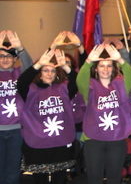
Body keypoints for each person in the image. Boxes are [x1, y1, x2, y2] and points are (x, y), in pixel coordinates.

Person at [76, 43, 131, 184]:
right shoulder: (89, 86)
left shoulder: (120, 85)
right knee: (93, 177)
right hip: (94, 139)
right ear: (96, 69)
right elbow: (80, 80)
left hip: (117, 139)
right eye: (102, 65)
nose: (105, 69)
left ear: (114, 68)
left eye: (109, 65)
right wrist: (88, 61)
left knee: (114, 178)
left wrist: (120, 60)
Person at [18, 49, 77, 184]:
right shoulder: (30, 89)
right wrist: (37, 65)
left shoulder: (63, 88)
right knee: (40, 180)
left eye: (52, 70)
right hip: (37, 143)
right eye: (45, 70)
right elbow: (21, 82)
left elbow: (77, 81)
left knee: (59, 179)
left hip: (61, 142)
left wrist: (65, 66)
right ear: (39, 73)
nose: (49, 74)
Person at [0, 31, 33, 184]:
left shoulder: (20, 74)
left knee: (13, 171)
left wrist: (21, 48)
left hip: (16, 131)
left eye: (8, 56)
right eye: (1, 56)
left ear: (15, 59)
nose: (5, 59)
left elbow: (30, 67)